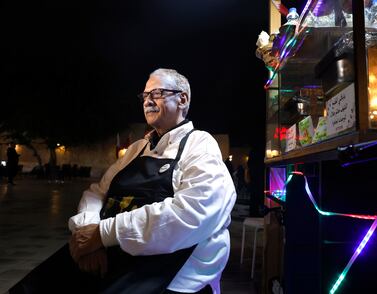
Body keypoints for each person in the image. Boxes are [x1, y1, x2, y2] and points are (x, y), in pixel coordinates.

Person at [10, 68, 236, 294]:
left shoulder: (200, 144)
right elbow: (96, 193)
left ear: (182, 99)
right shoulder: (137, 148)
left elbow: (194, 212)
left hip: (166, 269)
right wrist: (89, 232)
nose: (148, 101)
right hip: (109, 253)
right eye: (145, 96)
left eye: (156, 93)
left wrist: (103, 234)